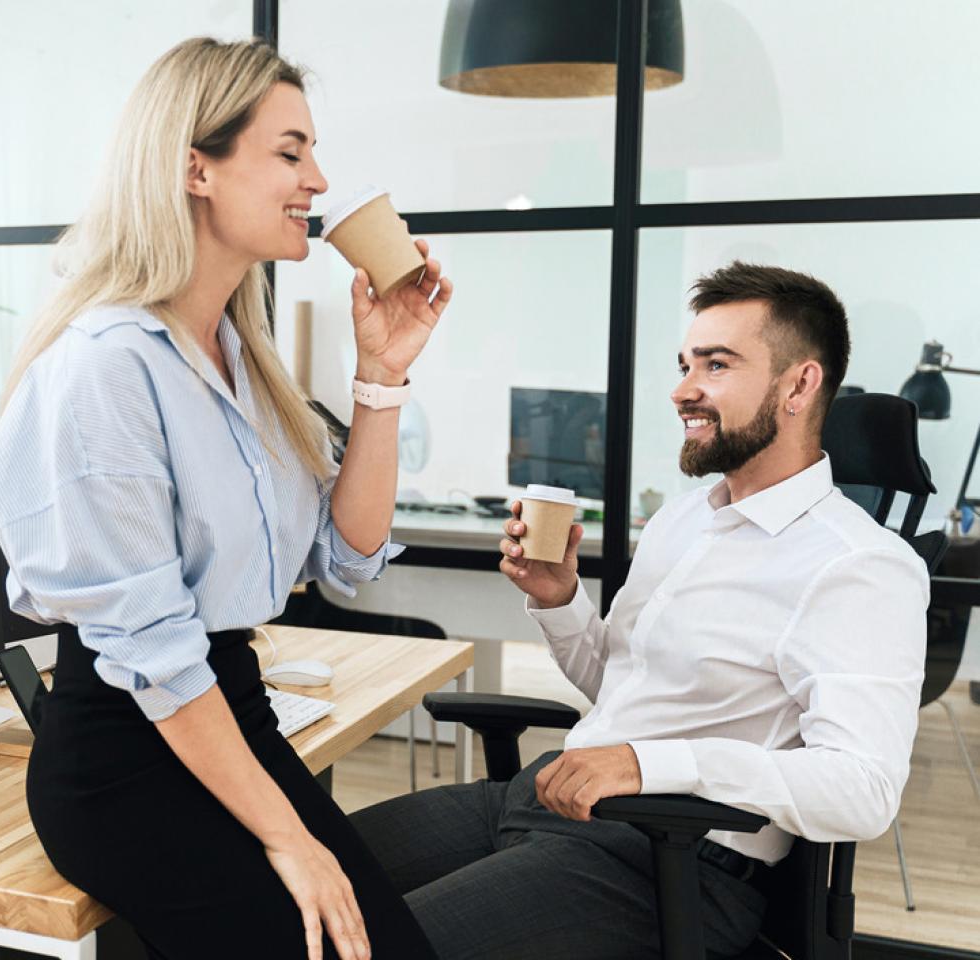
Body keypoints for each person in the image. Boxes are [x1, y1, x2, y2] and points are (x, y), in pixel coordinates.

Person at [0, 37, 453, 960]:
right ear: (196, 168)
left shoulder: (243, 361)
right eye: (289, 151)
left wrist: (382, 375)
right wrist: (290, 839)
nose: (318, 179)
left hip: (231, 720)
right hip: (128, 758)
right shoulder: (104, 369)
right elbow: (156, 654)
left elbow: (348, 556)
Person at [350, 262, 929, 958]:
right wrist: (560, 600)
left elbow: (863, 791)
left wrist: (652, 766)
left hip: (668, 864)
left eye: (717, 365)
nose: (684, 390)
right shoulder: (685, 520)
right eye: (685, 365)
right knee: (288, 880)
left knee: (365, 945)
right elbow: (623, 692)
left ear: (800, 384)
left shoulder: (858, 567)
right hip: (546, 797)